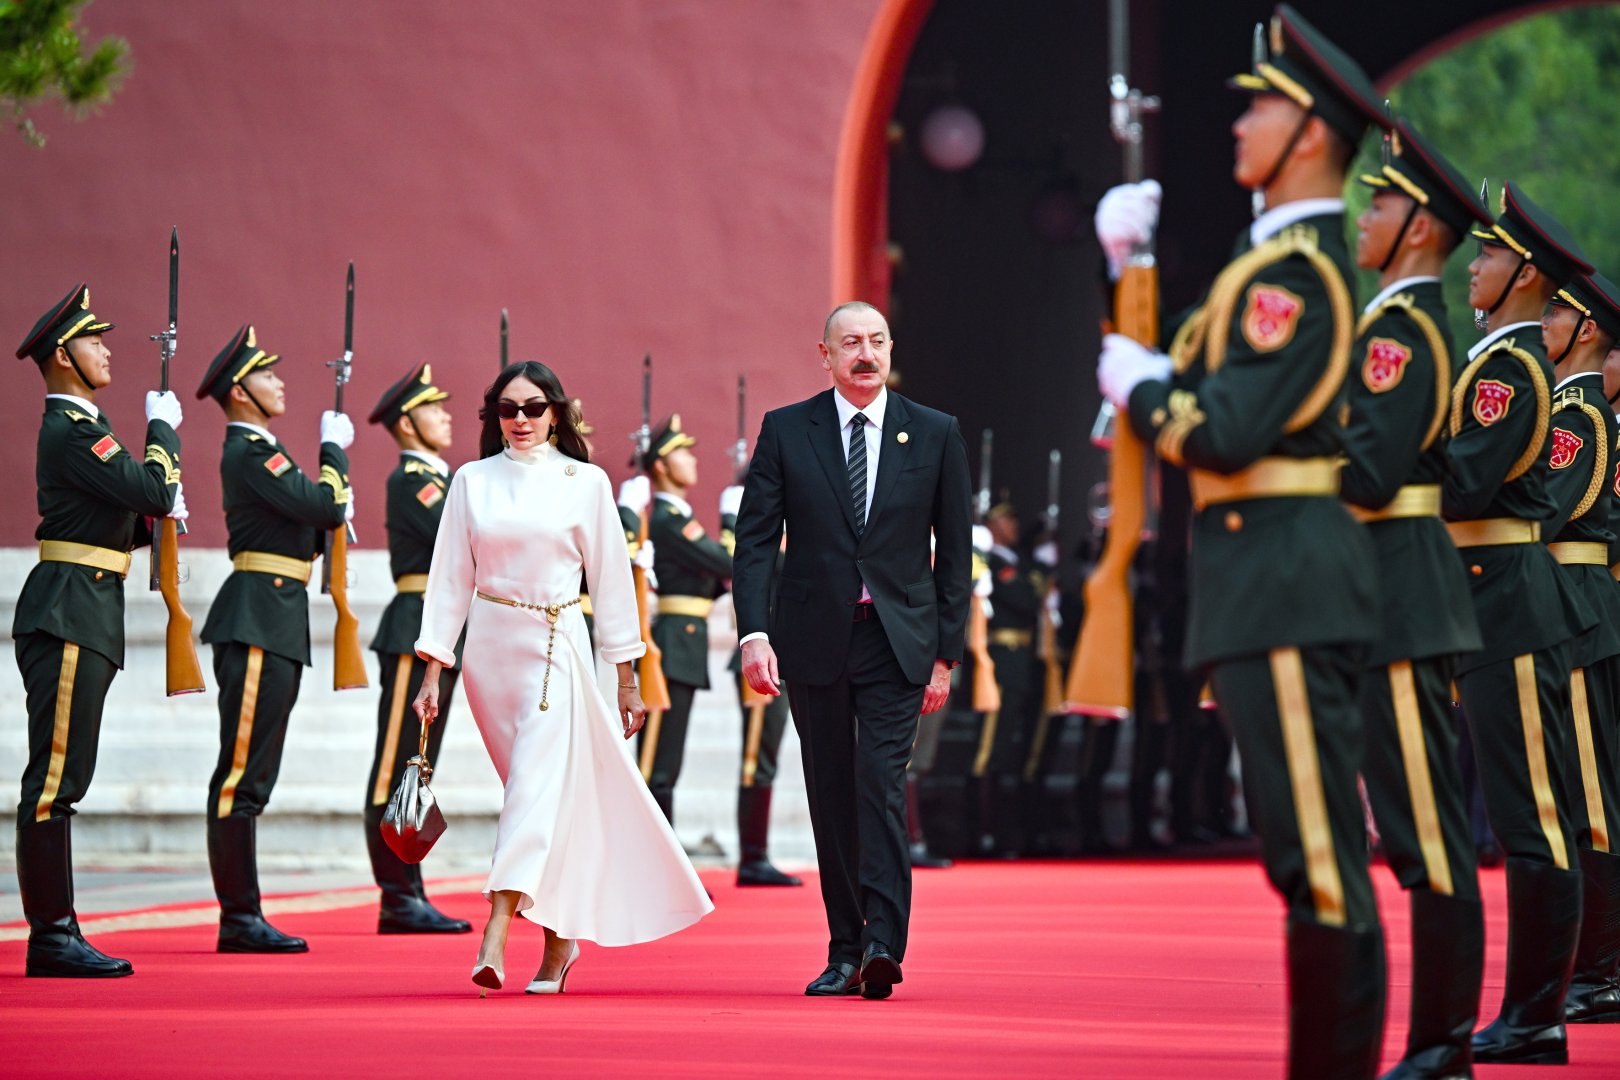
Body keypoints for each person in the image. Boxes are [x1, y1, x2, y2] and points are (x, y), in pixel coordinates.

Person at [1096, 8, 1388, 1074]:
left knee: (1318, 857)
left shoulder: (1295, 278)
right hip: (1263, 580)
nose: (1239, 127)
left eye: (1258, 106)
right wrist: (1117, 271)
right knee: (1297, 855)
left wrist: (1143, 393)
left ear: (1308, 130)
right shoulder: (1260, 267)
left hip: (1285, 578)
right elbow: (1169, 359)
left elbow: (1218, 426)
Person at [411, 360, 711, 997]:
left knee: (531, 793)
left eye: (534, 408)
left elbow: (610, 584)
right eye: (508, 410)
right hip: (489, 653)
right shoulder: (471, 480)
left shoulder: (586, 481)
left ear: (557, 413)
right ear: (494, 417)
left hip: (556, 646)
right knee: (544, 800)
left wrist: (627, 677)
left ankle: (495, 926)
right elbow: (449, 580)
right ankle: (559, 939)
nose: (521, 420)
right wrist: (433, 669)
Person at [732, 301, 972, 1001]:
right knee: (831, 792)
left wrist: (945, 656)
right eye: (850, 344)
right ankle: (843, 948)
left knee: (879, 783)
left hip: (898, 641)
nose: (864, 354)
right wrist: (754, 635)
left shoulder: (934, 433)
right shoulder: (786, 431)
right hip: (813, 640)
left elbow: (955, 555)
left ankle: (881, 946)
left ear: (890, 348)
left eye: (875, 341)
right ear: (825, 354)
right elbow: (754, 543)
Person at [1342, 118, 1488, 1077]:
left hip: (1400, 596)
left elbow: (1370, 467)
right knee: (1410, 828)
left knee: (1427, 832)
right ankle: (1437, 1036)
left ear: (1424, 229)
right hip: (1382, 597)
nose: (1366, 215)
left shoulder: (1401, 331)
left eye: (1385, 203)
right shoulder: (1386, 324)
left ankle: (1442, 1039)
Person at [1449, 182, 1594, 1065]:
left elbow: (1465, 482)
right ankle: (1532, 1005)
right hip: (1488, 596)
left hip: (1506, 597)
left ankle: (1538, 1011)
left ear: (1526, 274)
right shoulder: (1497, 362)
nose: (1475, 267)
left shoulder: (1508, 369)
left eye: (1490, 257)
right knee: (1520, 815)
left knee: (1532, 817)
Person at [12, 284, 184, 977]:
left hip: (85, 607)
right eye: (94, 340)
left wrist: (152, 527)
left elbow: (116, 517)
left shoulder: (80, 429)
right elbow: (152, 486)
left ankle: (58, 929)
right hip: (68, 612)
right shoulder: (75, 428)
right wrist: (164, 435)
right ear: (63, 354)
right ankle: (51, 935)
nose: (108, 349)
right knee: (55, 780)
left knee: (66, 775)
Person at [196, 324, 354, 954]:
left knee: (255, 772)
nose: (280, 381)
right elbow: (325, 506)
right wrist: (334, 455)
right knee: (241, 774)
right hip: (257, 619)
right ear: (241, 391)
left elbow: (310, 520)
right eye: (267, 373)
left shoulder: (263, 450)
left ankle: (244, 914)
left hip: (277, 618)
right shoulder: (252, 450)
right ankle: (239, 918)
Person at [359, 362, 471, 935]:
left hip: (441, 632)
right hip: (414, 628)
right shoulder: (414, 481)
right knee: (396, 765)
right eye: (434, 408)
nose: (446, 417)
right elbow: (462, 539)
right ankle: (396, 896)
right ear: (408, 422)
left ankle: (408, 890)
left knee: (419, 763)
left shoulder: (447, 482)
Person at [1540, 271, 1620, 1025]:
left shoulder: (1578, 415)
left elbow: (1542, 516)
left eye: (1556, 314)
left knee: (1592, 805)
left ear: (1585, 331)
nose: (1544, 322)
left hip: (1578, 614)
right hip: (1580, 611)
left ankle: (1600, 971)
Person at [636, 415, 731, 832]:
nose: (692, 460)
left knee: (668, 764)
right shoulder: (669, 520)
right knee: (656, 762)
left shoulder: (678, 518)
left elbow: (711, 584)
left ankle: (663, 861)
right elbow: (727, 563)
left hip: (685, 643)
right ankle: (650, 863)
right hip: (671, 647)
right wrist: (732, 528)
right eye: (682, 452)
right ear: (660, 465)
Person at [720, 497, 803, 886]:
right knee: (757, 755)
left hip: (786, 657)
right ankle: (752, 855)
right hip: (762, 658)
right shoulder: (765, 536)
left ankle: (757, 853)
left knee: (765, 753)